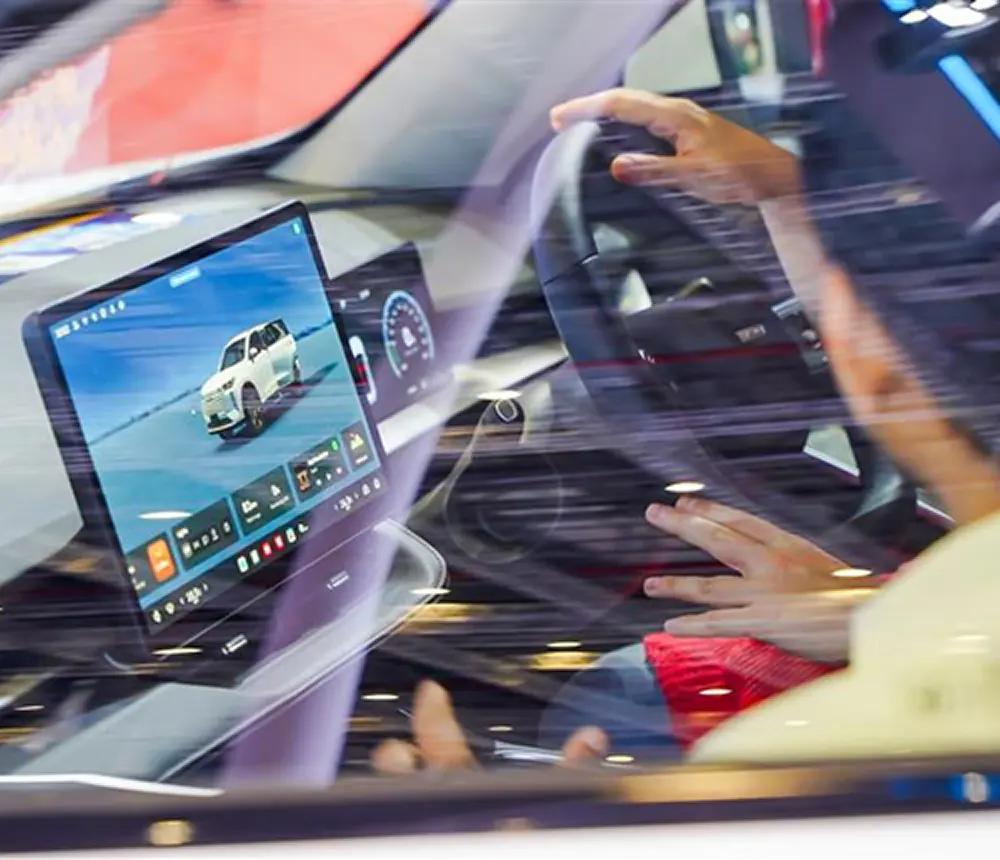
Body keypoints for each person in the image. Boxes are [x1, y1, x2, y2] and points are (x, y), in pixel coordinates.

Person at [370, 87, 1000, 773]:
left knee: (609, 693)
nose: (816, 323)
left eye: (839, 306)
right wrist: (877, 614)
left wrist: (500, 824)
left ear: (877, 373)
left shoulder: (787, 766)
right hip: (897, 607)